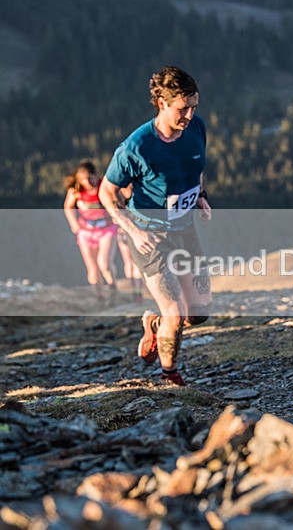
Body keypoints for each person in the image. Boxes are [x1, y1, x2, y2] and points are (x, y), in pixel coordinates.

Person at [99, 66, 212, 387]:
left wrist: (201, 195)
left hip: (184, 228)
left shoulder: (196, 127)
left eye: (194, 107)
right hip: (148, 235)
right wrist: (133, 230)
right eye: (182, 108)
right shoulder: (136, 147)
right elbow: (105, 193)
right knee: (176, 314)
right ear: (162, 103)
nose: (189, 115)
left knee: (198, 312)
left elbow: (196, 166)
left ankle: (156, 323)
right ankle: (169, 376)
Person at [63, 160, 119, 305]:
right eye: (82, 179)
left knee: (104, 263)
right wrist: (74, 224)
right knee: (93, 270)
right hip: (86, 231)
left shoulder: (103, 187)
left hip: (107, 228)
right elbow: (68, 206)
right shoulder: (75, 191)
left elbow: (117, 201)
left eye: (89, 178)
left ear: (95, 175)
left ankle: (112, 286)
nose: (87, 182)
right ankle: (100, 297)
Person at [115, 185, 144, 302]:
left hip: (123, 232)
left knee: (129, 263)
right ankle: (137, 291)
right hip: (134, 233)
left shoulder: (115, 195)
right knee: (134, 263)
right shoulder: (139, 194)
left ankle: (135, 290)